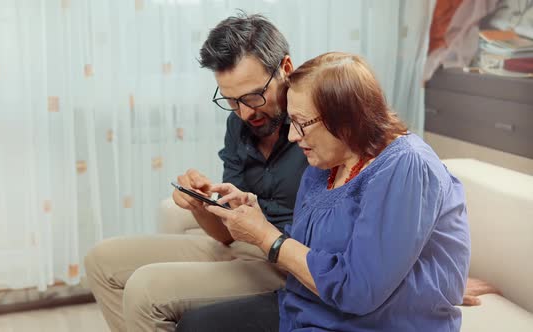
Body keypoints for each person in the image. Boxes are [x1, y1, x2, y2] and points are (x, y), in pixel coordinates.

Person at [177, 52, 471, 331]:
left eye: (302, 124)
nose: (293, 136)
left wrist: (267, 238)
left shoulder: (407, 165)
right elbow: (307, 251)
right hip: (307, 310)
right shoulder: (321, 168)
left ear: (347, 119)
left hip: (373, 325)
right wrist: (257, 217)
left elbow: (360, 290)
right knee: (193, 325)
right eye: (292, 122)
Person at [84, 13, 308, 332]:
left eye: (253, 96)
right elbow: (226, 233)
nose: (245, 113)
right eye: (231, 101)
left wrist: (266, 237)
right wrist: (201, 205)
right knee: (102, 260)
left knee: (145, 289)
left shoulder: (316, 126)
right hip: (242, 248)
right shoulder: (239, 125)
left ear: (286, 69)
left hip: (285, 261)